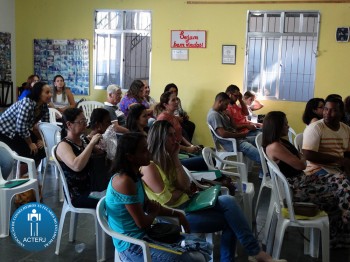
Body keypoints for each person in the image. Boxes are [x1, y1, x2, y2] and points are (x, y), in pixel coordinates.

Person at [141, 120, 286, 262]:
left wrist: (175, 160)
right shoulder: (150, 167)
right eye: (171, 136)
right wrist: (183, 190)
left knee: (228, 200)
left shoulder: (168, 158)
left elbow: (185, 185)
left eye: (175, 134)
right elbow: (169, 199)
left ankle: (254, 252)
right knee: (231, 220)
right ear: (160, 139)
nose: (176, 139)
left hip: (189, 203)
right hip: (177, 215)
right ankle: (254, 252)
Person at [105, 132, 211, 262]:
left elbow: (149, 205)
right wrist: (154, 213)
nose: (149, 153)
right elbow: (142, 223)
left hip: (146, 235)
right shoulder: (124, 181)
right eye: (144, 150)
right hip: (133, 246)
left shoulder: (134, 175)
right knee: (189, 259)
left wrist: (177, 214)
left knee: (199, 247)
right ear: (130, 157)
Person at [263, 110, 350, 248]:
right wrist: (301, 157)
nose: (287, 126)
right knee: (340, 189)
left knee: (341, 179)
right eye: (285, 124)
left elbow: (301, 157)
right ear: (277, 126)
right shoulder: (275, 146)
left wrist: (301, 156)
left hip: (303, 182)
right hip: (295, 190)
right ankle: (344, 225)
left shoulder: (282, 143)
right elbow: (301, 164)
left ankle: (340, 228)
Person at [207, 92, 263, 177]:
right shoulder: (214, 115)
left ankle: (263, 172)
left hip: (238, 140)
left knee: (260, 140)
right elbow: (223, 134)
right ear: (220, 101)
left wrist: (230, 116)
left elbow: (235, 127)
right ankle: (264, 174)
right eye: (226, 104)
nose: (227, 107)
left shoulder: (221, 112)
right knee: (260, 156)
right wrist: (241, 135)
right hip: (232, 143)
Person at [55, 108, 102, 208]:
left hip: (92, 187)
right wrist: (92, 144)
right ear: (69, 125)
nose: (85, 124)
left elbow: (100, 153)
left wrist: (99, 144)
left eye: (85, 120)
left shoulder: (83, 140)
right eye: (81, 121)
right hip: (77, 195)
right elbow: (77, 166)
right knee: (112, 201)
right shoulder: (63, 145)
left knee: (119, 193)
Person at [0, 81, 50, 171]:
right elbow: (21, 126)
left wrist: (42, 140)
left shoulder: (44, 107)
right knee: (29, 152)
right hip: (6, 131)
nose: (50, 95)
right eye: (47, 92)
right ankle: (22, 179)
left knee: (41, 151)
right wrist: (30, 143)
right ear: (39, 94)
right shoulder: (27, 103)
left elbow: (45, 126)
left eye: (50, 92)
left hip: (20, 130)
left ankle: (29, 177)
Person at [83, 108, 114, 191]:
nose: (110, 124)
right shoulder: (88, 142)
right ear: (98, 125)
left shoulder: (103, 139)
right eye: (107, 122)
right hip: (98, 183)